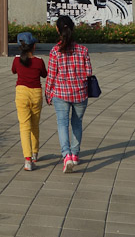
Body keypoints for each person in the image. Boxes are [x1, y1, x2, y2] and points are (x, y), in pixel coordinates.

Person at [45, 14, 93, 173]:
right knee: (77, 123)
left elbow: (51, 75)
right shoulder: (83, 50)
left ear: (58, 30)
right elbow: (89, 73)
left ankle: (66, 156)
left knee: (62, 124)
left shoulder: (55, 51)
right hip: (80, 94)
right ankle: (75, 155)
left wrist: (48, 93)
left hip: (61, 93)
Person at [12, 31, 47, 171]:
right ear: (33, 46)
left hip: (21, 93)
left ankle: (27, 160)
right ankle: (34, 153)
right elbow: (44, 74)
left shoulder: (16, 60)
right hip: (36, 94)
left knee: (24, 126)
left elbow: (14, 71)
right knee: (35, 124)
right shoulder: (39, 61)